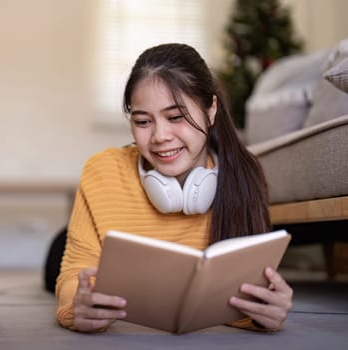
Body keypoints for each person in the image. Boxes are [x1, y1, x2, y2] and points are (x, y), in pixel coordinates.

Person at [55, 43, 293, 333]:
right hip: (92, 250)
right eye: (143, 121)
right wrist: (78, 303)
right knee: (54, 263)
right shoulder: (102, 171)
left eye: (176, 117)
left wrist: (266, 310)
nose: (160, 136)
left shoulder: (244, 174)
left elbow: (248, 291)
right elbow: (74, 272)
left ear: (211, 110)